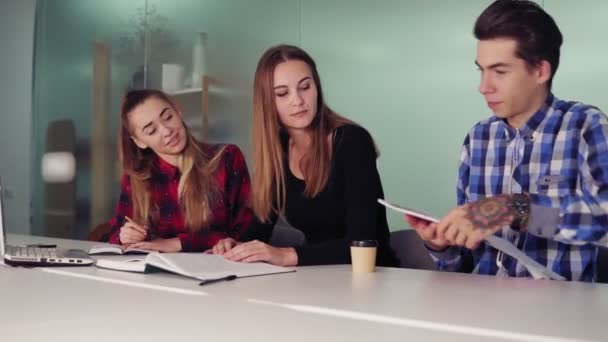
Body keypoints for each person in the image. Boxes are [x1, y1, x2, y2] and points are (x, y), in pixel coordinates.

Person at [407, 0, 608, 282]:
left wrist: (515, 208)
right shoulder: (478, 138)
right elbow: (461, 266)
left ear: (540, 71)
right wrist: (440, 245)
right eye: (481, 70)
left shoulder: (584, 125)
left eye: (500, 72)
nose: (483, 86)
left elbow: (604, 220)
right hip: (479, 306)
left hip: (558, 314)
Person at [211, 45, 399, 267]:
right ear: (267, 103)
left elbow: (362, 243)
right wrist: (236, 246)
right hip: (318, 278)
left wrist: (284, 255)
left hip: (372, 277)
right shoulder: (279, 149)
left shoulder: (352, 140)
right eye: (282, 93)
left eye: (305, 87)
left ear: (316, 88)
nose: (297, 100)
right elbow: (260, 229)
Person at [105, 89, 253, 252]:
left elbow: (247, 233)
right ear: (140, 142)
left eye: (168, 117)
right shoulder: (137, 177)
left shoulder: (227, 158)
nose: (167, 131)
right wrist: (124, 235)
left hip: (221, 270)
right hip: (157, 273)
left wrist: (177, 243)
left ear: (178, 111)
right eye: (151, 131)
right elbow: (115, 231)